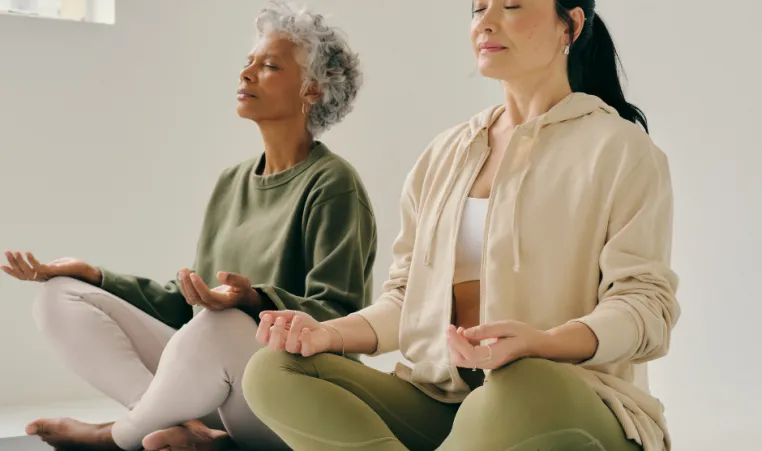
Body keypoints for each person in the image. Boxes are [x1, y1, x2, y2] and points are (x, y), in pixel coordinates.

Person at [242, 0, 680, 450]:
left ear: (569, 25)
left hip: (563, 401)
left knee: (518, 382)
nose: (486, 23)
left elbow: (645, 308)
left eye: (511, 5)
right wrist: (330, 333)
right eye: (478, 8)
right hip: (440, 402)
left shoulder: (622, 150)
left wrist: (543, 343)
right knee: (273, 368)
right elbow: (404, 298)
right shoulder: (445, 154)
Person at [1, 3, 375, 450]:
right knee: (60, 297)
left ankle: (116, 436)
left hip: (289, 394)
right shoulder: (230, 183)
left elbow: (340, 316)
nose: (247, 74)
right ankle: (183, 429)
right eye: (248, 62)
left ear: (312, 91)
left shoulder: (333, 184)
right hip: (211, 377)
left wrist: (253, 301)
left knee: (219, 325)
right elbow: (186, 306)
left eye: (269, 65)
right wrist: (94, 276)